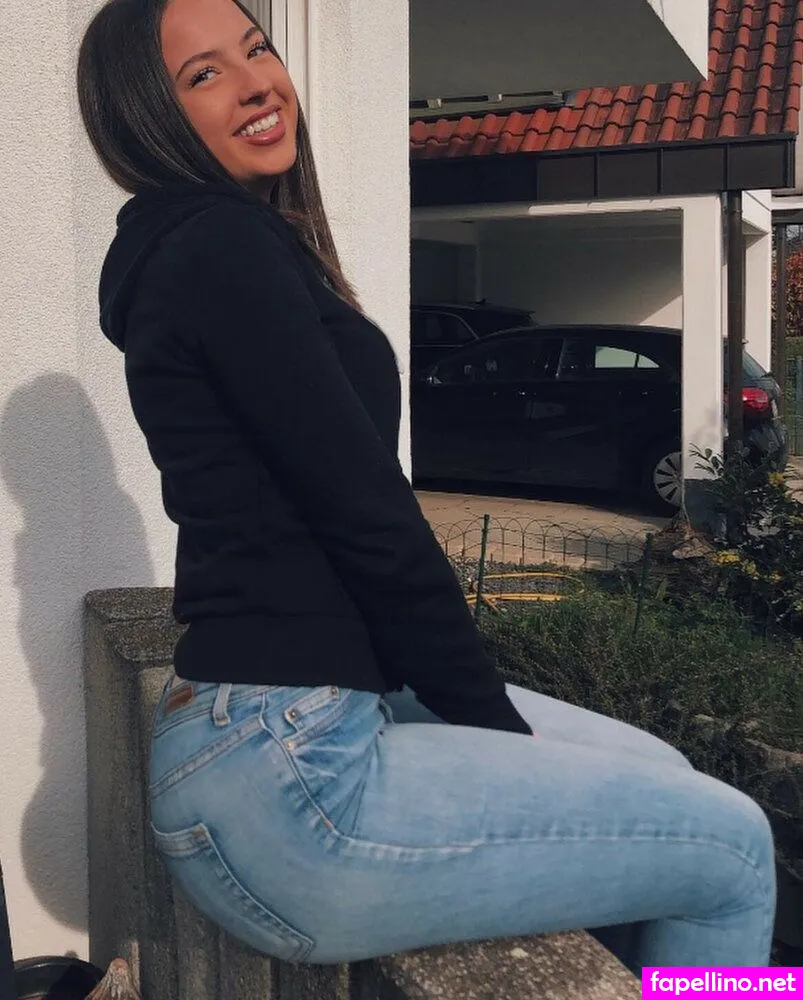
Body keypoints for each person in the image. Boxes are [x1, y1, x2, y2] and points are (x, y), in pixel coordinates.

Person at [77, 0, 776, 972]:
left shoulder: (219, 247)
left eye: (256, 48)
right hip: (288, 772)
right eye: (203, 75)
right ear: (146, 117)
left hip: (285, 719)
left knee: (665, 770)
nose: (255, 84)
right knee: (733, 848)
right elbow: (364, 510)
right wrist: (488, 721)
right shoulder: (216, 248)